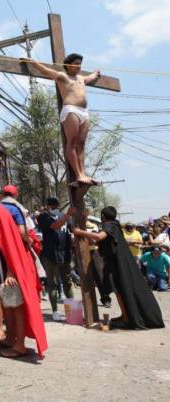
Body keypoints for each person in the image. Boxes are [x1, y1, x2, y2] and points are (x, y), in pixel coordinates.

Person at [0, 185, 47, 359]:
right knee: (7, 303)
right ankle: (11, 338)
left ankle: (20, 345)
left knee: (15, 304)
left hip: (8, 262)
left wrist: (11, 271)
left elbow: (9, 244)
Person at [73, 206, 164, 329]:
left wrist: (80, 232)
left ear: (103, 217)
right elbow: (98, 241)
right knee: (119, 288)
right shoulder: (115, 225)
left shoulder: (110, 225)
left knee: (119, 288)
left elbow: (99, 237)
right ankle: (125, 315)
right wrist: (86, 235)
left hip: (118, 263)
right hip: (117, 262)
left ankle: (126, 318)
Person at [24, 54, 101, 186]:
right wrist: (32, 62)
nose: (78, 66)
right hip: (71, 110)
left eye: (80, 63)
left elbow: (91, 77)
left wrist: (96, 73)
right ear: (68, 64)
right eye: (76, 63)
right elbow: (45, 70)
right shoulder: (63, 76)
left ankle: (83, 173)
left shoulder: (81, 78)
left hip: (84, 112)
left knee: (81, 144)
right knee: (72, 142)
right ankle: (78, 175)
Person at [37, 197, 75, 321]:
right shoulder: (43, 217)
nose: (53, 209)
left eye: (56, 207)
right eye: (51, 206)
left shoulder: (65, 216)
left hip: (65, 255)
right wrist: (67, 215)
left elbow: (73, 231)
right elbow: (55, 225)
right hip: (50, 255)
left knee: (68, 283)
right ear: (47, 206)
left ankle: (72, 312)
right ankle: (55, 311)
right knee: (52, 284)